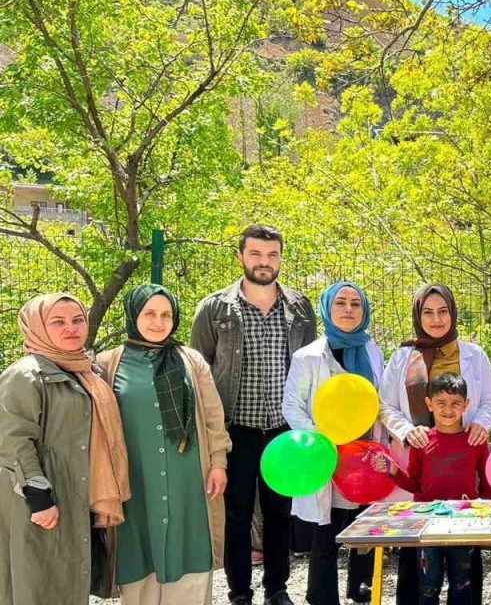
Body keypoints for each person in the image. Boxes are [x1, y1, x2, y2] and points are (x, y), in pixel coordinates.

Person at [190, 224, 317, 605]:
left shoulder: (300, 307)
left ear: (280, 258)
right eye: (256, 254)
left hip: (284, 430)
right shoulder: (215, 308)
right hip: (236, 430)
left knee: (280, 511)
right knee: (237, 514)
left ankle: (277, 589)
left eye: (272, 254)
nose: (265, 262)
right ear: (241, 257)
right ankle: (239, 592)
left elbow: (309, 367)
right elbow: (199, 369)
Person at [97, 285, 232, 605]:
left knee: (190, 550)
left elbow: (213, 415)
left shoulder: (190, 360)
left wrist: (218, 462)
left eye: (166, 315)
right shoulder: (107, 364)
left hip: (190, 479)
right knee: (137, 554)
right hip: (135, 481)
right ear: (133, 315)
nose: (158, 322)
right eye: (149, 314)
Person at [0, 294, 129, 604]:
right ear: (37, 326)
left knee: (69, 578)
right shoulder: (26, 375)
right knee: (38, 582)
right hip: (39, 498)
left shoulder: (86, 371)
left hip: (75, 493)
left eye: (77, 320)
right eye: (58, 322)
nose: (71, 328)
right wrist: (39, 497)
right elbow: (13, 441)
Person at [380, 283, 491, 605]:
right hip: (421, 461)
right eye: (428, 312)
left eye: (443, 311)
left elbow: (490, 400)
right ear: (418, 316)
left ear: (453, 313)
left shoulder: (474, 355)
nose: (436, 319)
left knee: (464, 566)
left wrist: (481, 424)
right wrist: (408, 431)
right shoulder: (403, 356)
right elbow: (386, 405)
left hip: (463, 461)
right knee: (419, 559)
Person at [282, 281, 385, 605]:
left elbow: (378, 402)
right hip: (327, 456)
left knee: (365, 528)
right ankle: (321, 597)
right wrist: (319, 438)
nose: (348, 309)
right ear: (327, 308)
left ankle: (362, 592)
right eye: (340, 303)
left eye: (356, 303)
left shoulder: (372, 351)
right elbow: (291, 406)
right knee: (326, 534)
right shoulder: (308, 356)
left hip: (364, 455)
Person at [376, 373, 491, 605]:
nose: (448, 409)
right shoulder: (422, 441)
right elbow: (415, 484)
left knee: (462, 582)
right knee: (429, 584)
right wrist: (394, 471)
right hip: (427, 525)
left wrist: (485, 511)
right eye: (441, 403)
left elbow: (487, 482)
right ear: (429, 404)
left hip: (464, 525)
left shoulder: (475, 440)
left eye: (455, 403)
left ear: (466, 404)